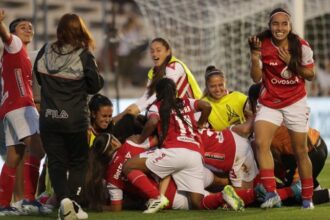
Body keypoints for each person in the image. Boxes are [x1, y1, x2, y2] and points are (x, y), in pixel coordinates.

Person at [33, 13, 104, 220]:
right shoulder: (84, 55)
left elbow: (38, 77)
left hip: (49, 118)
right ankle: (72, 203)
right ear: (80, 31)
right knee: (79, 162)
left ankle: (63, 201)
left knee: (55, 162)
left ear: (60, 31)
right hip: (74, 120)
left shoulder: (44, 51)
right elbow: (95, 85)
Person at [248, 8, 315, 209]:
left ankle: (307, 197)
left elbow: (310, 75)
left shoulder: (301, 46)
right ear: (269, 26)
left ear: (290, 26)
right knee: (260, 143)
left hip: (295, 101)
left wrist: (291, 63)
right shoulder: (261, 43)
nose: (280, 28)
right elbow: (256, 78)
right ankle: (271, 193)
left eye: (284, 24)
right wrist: (254, 56)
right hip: (270, 102)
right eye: (275, 24)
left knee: (300, 150)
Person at [0, 9, 50, 215]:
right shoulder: (15, 45)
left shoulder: (19, 55)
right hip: (21, 106)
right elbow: (5, 35)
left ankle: (3, 205)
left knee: (14, 156)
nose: (28, 28)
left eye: (30, 26)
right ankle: (29, 200)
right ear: (14, 33)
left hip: (8, 109)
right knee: (40, 149)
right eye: (23, 27)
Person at [114, 37, 202, 122]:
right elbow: (146, 97)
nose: (154, 54)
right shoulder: (152, 72)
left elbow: (160, 94)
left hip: (193, 114)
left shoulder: (175, 66)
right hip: (174, 115)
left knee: (143, 122)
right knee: (129, 120)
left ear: (168, 52)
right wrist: (123, 113)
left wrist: (138, 109)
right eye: (152, 51)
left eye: (158, 50)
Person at [202, 65, 253, 133]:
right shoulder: (203, 104)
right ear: (206, 86)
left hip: (244, 139)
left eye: (220, 85)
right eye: (213, 86)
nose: (217, 89)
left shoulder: (237, 97)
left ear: (225, 83)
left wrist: (239, 128)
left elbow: (253, 116)